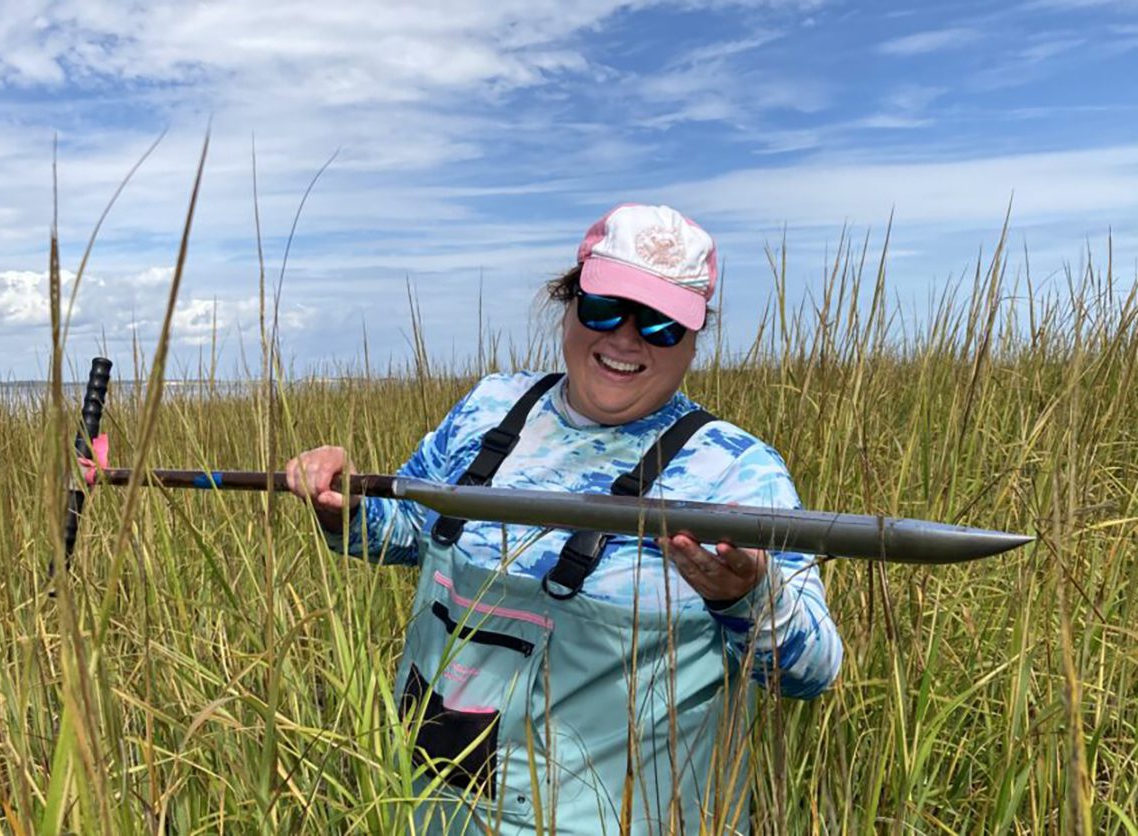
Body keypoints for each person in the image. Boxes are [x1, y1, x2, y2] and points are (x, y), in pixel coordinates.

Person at [286, 203, 843, 834]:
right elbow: (411, 532)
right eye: (604, 308)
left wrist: (748, 596)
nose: (625, 338)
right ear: (569, 300)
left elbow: (812, 672)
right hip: (424, 808)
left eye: (661, 325)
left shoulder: (737, 470)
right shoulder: (490, 408)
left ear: (694, 341)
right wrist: (344, 506)